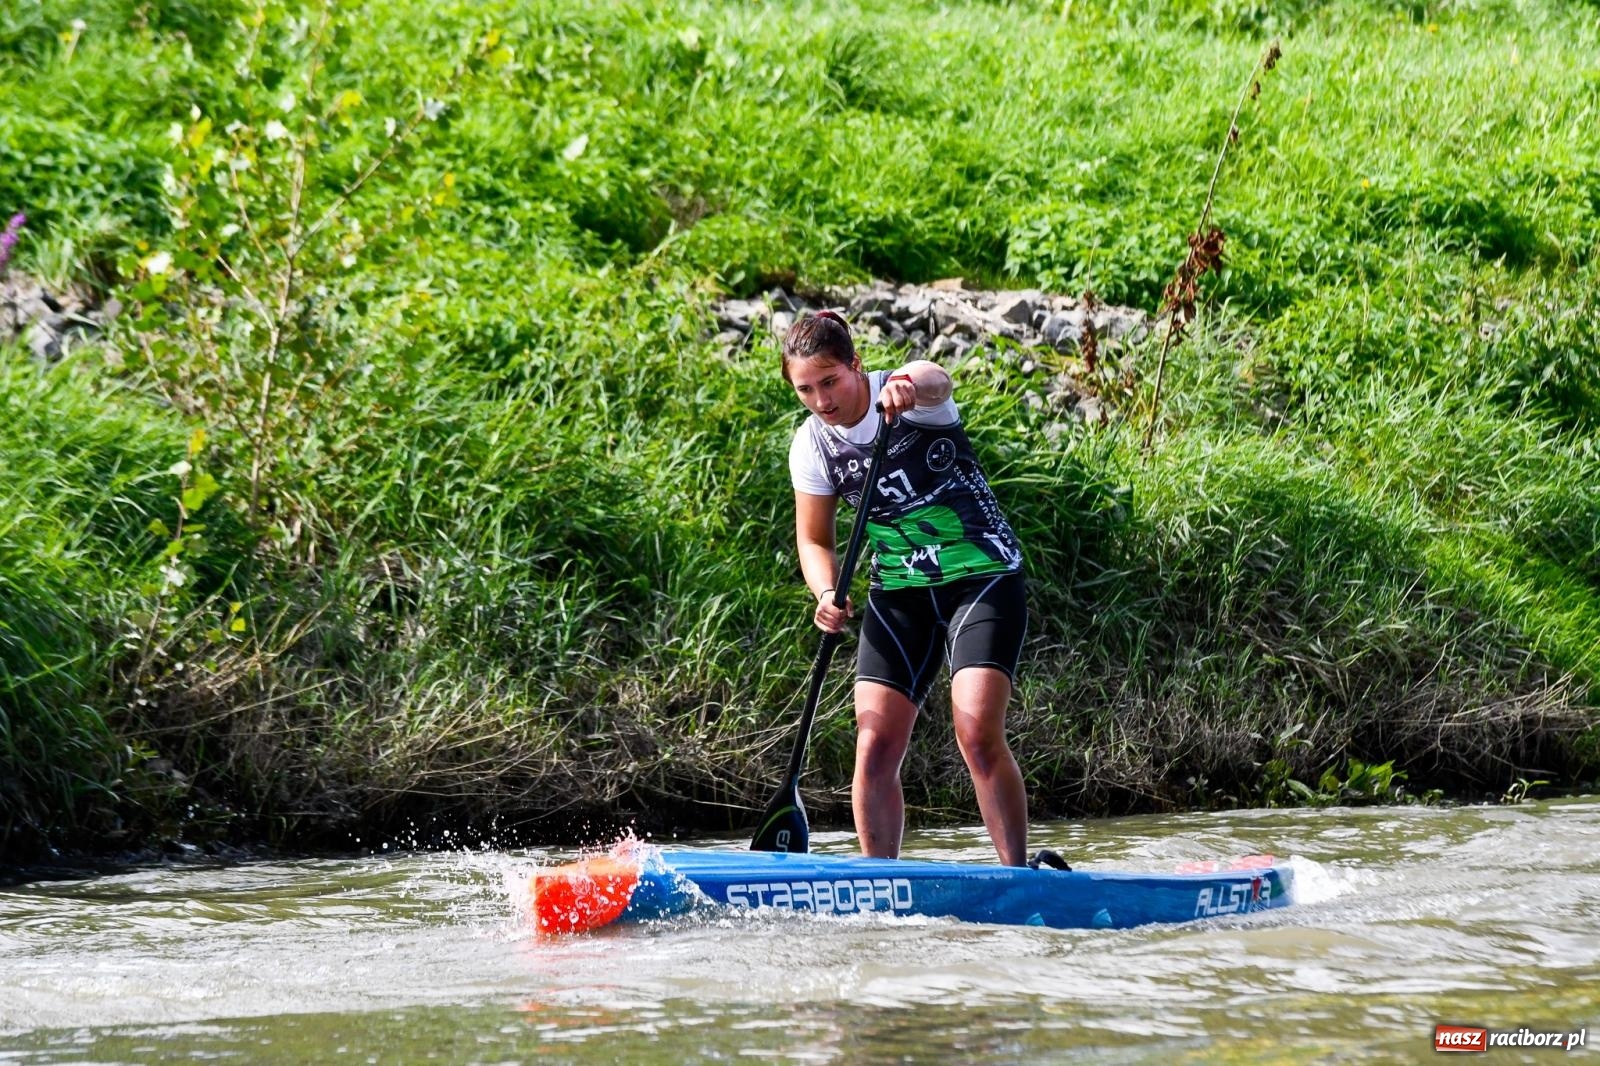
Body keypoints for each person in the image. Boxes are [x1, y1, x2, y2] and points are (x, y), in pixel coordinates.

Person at [782, 309, 1033, 867]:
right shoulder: (811, 445)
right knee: (873, 747)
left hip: (980, 576)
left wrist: (906, 384)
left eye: (830, 381)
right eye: (806, 389)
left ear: (856, 365)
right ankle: (881, 883)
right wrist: (825, 592)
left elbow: (936, 378)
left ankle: (1019, 876)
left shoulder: (910, 398)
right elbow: (814, 540)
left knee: (975, 732)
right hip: (899, 591)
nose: (821, 400)